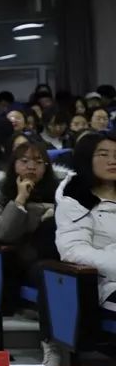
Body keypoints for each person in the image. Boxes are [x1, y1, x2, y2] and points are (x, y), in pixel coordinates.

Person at [0, 139, 66, 366]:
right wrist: (20, 200)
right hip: (24, 262)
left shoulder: (62, 193)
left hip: (65, 256)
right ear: (14, 165)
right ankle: (50, 343)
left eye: (38, 162)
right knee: (50, 273)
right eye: (24, 161)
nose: (31, 167)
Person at [55, 131, 116, 325]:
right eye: (103, 154)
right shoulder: (75, 200)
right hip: (106, 285)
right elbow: (74, 251)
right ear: (87, 158)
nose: (112, 161)